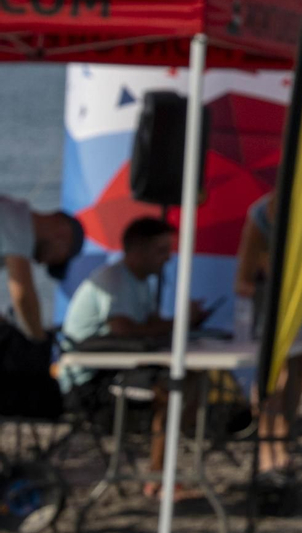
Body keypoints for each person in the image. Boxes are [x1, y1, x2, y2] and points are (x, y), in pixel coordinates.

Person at [59, 215, 204, 496]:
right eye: (161, 250)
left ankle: (161, 471)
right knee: (172, 390)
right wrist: (181, 321)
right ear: (137, 249)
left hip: (114, 369)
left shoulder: (138, 281)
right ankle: (158, 477)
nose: (167, 258)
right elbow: (125, 330)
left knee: (190, 381)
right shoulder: (114, 279)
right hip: (88, 381)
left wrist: (181, 323)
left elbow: (148, 327)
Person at [234, 192, 302, 475]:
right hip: (272, 311)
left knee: (296, 376)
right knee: (275, 378)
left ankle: (281, 443)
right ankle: (270, 449)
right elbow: (243, 280)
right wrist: (268, 276)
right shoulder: (262, 217)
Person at [0, 194, 84, 418]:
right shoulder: (16, 217)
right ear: (62, 234)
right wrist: (38, 339)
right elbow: (22, 292)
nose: (40, 263)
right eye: (56, 259)